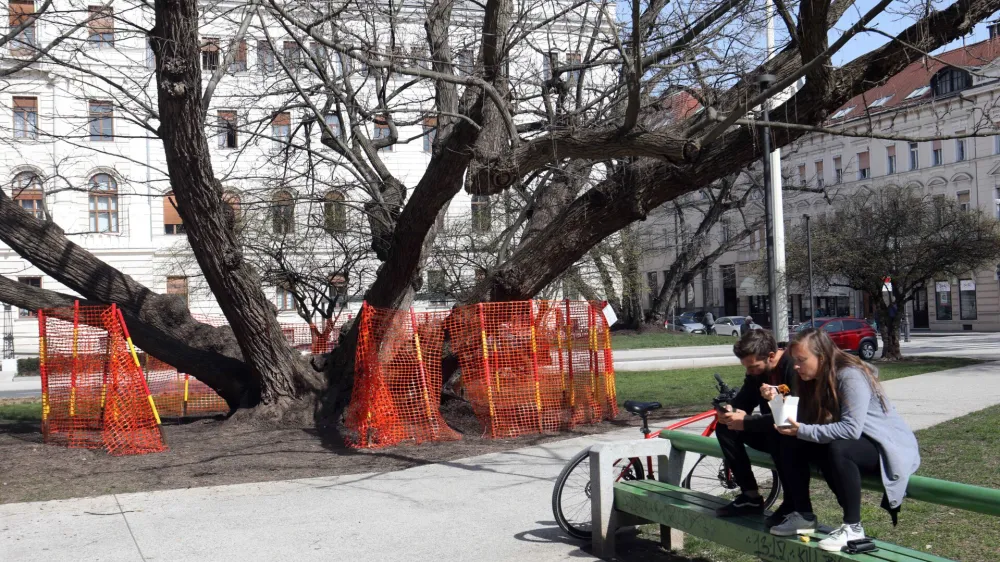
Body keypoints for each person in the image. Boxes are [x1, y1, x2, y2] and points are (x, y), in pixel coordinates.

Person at [770, 328, 920, 552]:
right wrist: (777, 398)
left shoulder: (850, 375)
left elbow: (850, 430)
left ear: (822, 356)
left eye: (801, 360)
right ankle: (803, 515)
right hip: (854, 441)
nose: (796, 366)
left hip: (884, 446)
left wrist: (801, 430)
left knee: (839, 447)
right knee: (789, 441)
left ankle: (853, 527)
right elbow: (802, 421)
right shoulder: (809, 377)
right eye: (795, 361)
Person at [714, 329, 797, 525]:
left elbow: (788, 419)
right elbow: (743, 402)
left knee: (780, 435)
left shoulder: (792, 367)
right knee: (725, 427)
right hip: (775, 428)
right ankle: (750, 497)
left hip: (799, 433)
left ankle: (793, 504)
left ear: (770, 356)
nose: (750, 372)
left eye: (753, 367)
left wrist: (746, 421)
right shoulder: (758, 372)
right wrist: (729, 411)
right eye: (747, 368)